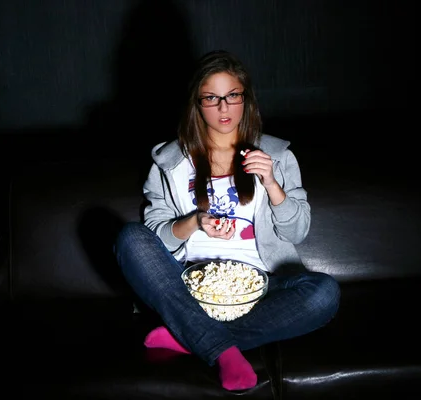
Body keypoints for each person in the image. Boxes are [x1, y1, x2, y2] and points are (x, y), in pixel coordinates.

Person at [114, 49, 340, 391]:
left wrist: (272, 184)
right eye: (211, 98)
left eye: (232, 96)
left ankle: (192, 337)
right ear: (197, 103)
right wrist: (195, 222)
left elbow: (298, 230)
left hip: (257, 290)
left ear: (245, 100)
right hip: (186, 287)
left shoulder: (276, 156)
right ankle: (220, 347)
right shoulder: (169, 161)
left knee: (324, 292)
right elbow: (155, 237)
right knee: (130, 238)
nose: (224, 108)